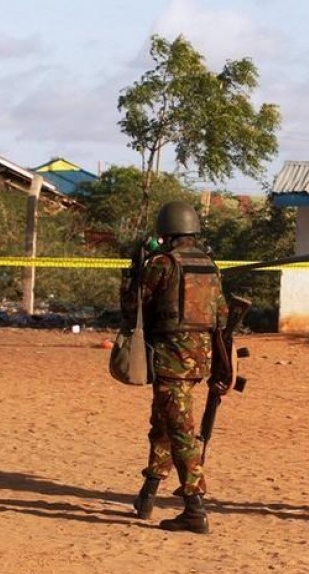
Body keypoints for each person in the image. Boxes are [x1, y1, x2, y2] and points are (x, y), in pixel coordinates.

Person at [121, 200, 228, 534]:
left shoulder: (161, 264)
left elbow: (132, 308)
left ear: (165, 231)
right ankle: (148, 495)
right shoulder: (209, 265)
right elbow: (221, 315)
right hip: (201, 360)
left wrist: (133, 272)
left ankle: (195, 508)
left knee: (180, 432)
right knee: (163, 424)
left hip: (170, 358)